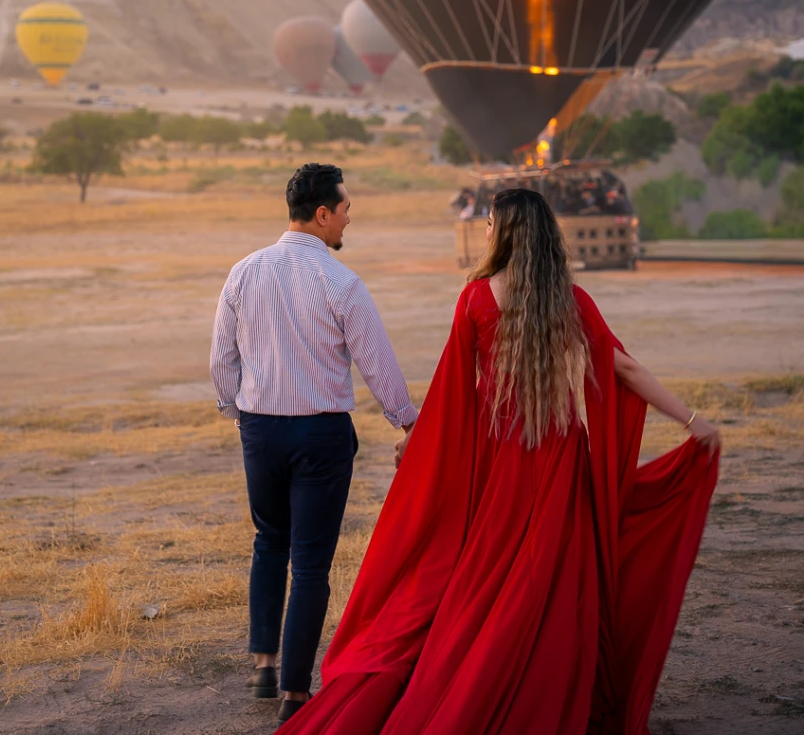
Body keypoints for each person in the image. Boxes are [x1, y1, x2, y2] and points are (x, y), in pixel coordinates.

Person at [282, 188, 720, 735]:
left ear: (506, 233)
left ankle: (486, 669)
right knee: (556, 581)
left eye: (490, 223)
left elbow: (451, 396)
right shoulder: (571, 300)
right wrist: (691, 420)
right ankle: (550, 684)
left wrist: (419, 447)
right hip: (560, 456)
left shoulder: (475, 300)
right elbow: (626, 371)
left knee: (489, 576)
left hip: (499, 461)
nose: (486, 231)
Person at [210, 163, 418, 725]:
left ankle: (263, 665)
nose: (351, 216)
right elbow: (377, 363)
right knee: (309, 564)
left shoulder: (244, 271)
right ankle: (296, 695)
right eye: (346, 208)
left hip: (261, 429)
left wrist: (242, 416)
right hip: (321, 433)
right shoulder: (341, 282)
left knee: (268, 540)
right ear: (323, 214)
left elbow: (221, 360)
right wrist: (408, 424)